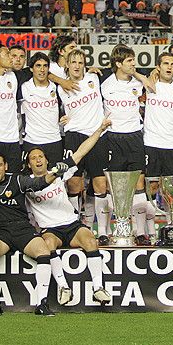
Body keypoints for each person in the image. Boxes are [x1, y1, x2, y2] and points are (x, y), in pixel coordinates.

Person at [24, 118, 112, 306]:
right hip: (50, 229)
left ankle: (98, 288)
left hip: (71, 225)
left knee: (89, 239)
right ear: (29, 164)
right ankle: (64, 288)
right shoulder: (25, 183)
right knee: (47, 244)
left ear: (47, 160)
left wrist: (100, 129)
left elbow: (82, 151)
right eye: (33, 158)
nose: (38, 160)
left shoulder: (59, 171)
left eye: (40, 156)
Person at [0, 153, 67, 316]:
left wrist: (54, 174)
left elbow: (39, 183)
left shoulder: (18, 180)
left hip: (23, 229)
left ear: (5, 166)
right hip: (2, 232)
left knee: (43, 251)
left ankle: (42, 304)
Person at [100, 45, 155, 240]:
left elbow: (152, 87)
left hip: (134, 137)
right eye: (130, 61)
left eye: (134, 60)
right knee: (114, 186)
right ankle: (106, 232)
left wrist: (138, 75)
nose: (134, 64)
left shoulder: (138, 84)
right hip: (113, 138)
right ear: (118, 64)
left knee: (139, 183)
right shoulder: (104, 84)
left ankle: (140, 232)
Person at [57, 48, 109, 238]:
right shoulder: (60, 87)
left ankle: (102, 230)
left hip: (97, 136)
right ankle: (74, 226)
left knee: (101, 185)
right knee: (73, 184)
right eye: (73, 62)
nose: (77, 66)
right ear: (67, 65)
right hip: (74, 136)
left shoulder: (95, 78)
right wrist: (61, 118)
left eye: (80, 62)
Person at [142, 52, 173, 242]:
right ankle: (149, 231)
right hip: (151, 144)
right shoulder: (149, 86)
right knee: (152, 187)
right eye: (165, 63)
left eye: (172, 64)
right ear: (158, 66)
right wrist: (149, 76)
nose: (169, 67)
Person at [19, 53, 64, 166]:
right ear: (31, 68)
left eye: (45, 66)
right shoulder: (23, 88)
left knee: (56, 179)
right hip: (32, 141)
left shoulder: (56, 87)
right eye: (38, 66)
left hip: (54, 140)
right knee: (31, 180)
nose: (42, 69)